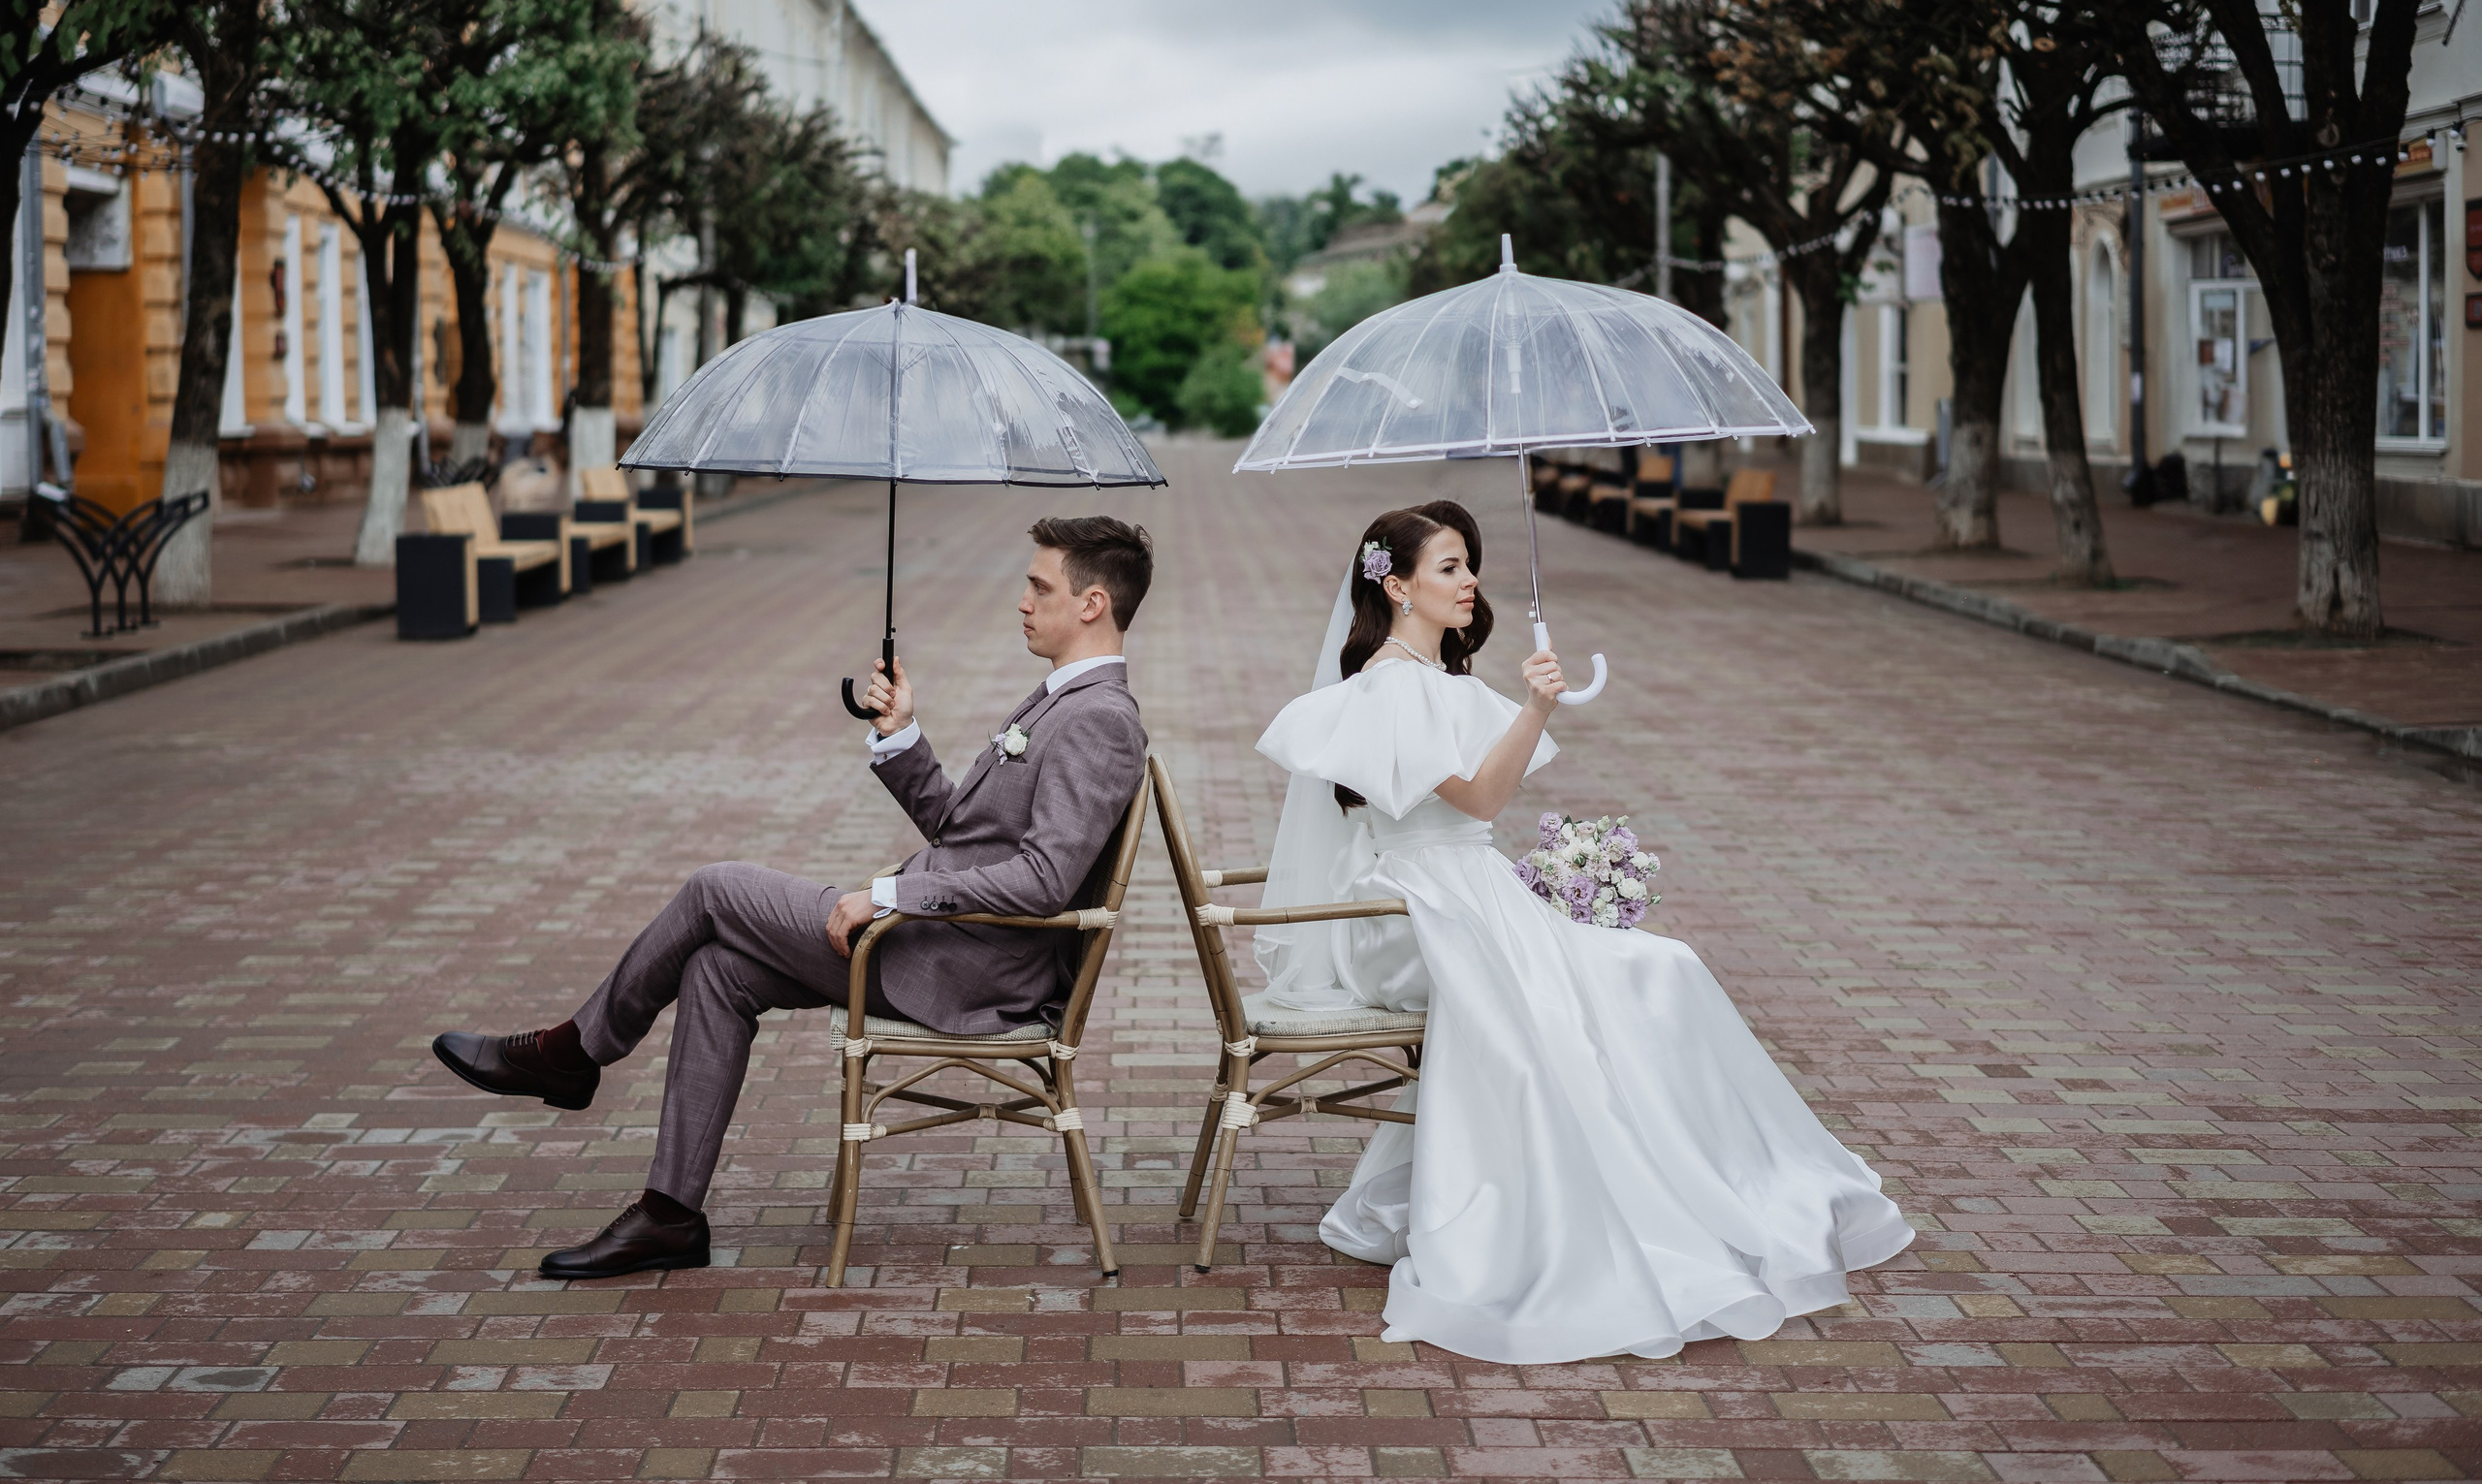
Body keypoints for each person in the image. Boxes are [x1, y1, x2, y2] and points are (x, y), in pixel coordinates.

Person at [1252, 500, 1910, 1365]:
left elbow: (1477, 814)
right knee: (1630, 978)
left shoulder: (1438, 680)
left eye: (1469, 563)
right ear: (1398, 586)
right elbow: (1479, 800)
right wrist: (1536, 706)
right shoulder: (1389, 685)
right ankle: (1605, 1202)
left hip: (1467, 886)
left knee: (1663, 966)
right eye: (1449, 566)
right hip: (1414, 909)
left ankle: (1710, 1173)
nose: (1469, 579)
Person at [432, 516, 1153, 1279]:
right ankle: (670, 1215)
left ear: (1092, 603)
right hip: (944, 946)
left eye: (1040, 587)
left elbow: (1042, 880)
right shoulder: (1059, 700)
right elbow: (964, 832)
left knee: (713, 887)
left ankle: (571, 1053)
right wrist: (901, 734)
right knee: (717, 969)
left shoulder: (1100, 720)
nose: (1023, 601)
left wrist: (892, 896)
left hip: (964, 970)